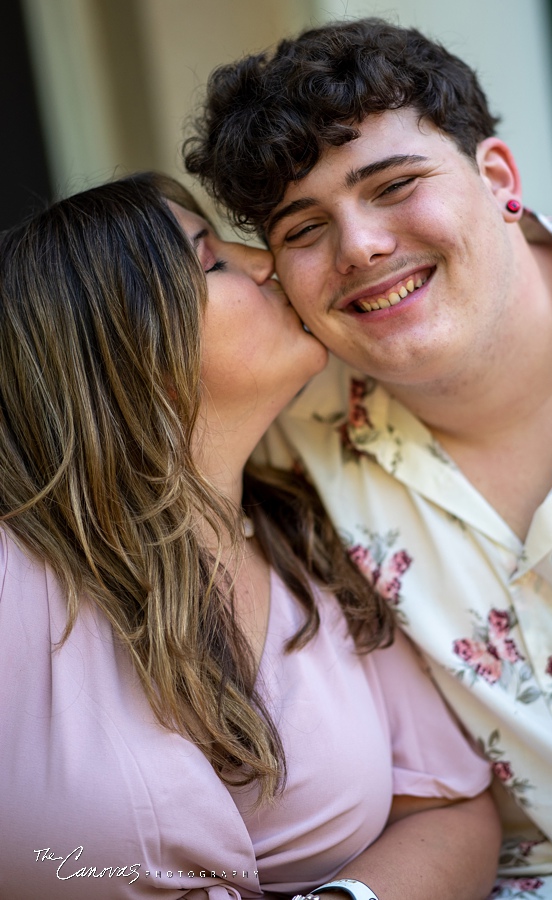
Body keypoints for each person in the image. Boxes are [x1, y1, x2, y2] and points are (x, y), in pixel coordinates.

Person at [182, 19, 552, 899]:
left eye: (396, 185)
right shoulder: (281, 440)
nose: (361, 247)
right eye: (304, 229)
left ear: (498, 179)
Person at [0, 172, 500, 899]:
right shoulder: (17, 577)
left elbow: (448, 804)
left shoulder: (312, 541)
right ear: (131, 350)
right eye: (211, 257)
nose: (266, 260)